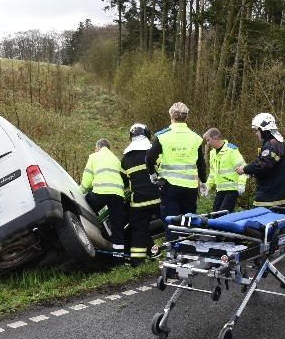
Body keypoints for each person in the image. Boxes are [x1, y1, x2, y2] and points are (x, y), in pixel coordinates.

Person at [146, 102, 207, 238]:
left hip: (170, 187)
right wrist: (203, 182)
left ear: (171, 116)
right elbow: (201, 164)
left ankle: (173, 253)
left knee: (172, 222)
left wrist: (152, 174)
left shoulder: (163, 136)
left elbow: (149, 157)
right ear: (186, 118)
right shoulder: (195, 138)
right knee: (189, 222)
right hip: (190, 188)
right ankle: (188, 251)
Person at [122, 123, 161, 266]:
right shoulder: (154, 151)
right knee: (171, 224)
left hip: (138, 202)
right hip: (158, 198)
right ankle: (176, 253)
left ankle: (137, 261)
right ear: (147, 134)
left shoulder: (126, 158)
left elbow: (124, 181)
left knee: (139, 230)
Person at [79, 138, 128, 251]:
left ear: (98, 147)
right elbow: (124, 177)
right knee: (117, 226)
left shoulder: (93, 157)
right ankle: (118, 256)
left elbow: (87, 180)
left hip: (100, 193)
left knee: (88, 206)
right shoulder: (116, 159)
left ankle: (92, 233)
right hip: (117, 195)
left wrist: (80, 192)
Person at [235, 113, 285, 207]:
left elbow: (263, 164)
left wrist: (245, 169)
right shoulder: (276, 142)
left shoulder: (272, 145)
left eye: (257, 130)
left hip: (271, 197)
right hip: (277, 194)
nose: (256, 133)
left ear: (263, 130)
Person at [203, 127, 247, 212]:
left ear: (215, 138)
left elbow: (243, 167)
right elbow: (213, 173)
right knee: (215, 215)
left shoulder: (231, 150)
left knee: (223, 215)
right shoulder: (212, 153)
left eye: (208, 140)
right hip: (220, 190)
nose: (207, 143)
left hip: (232, 189)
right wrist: (208, 186)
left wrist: (241, 184)